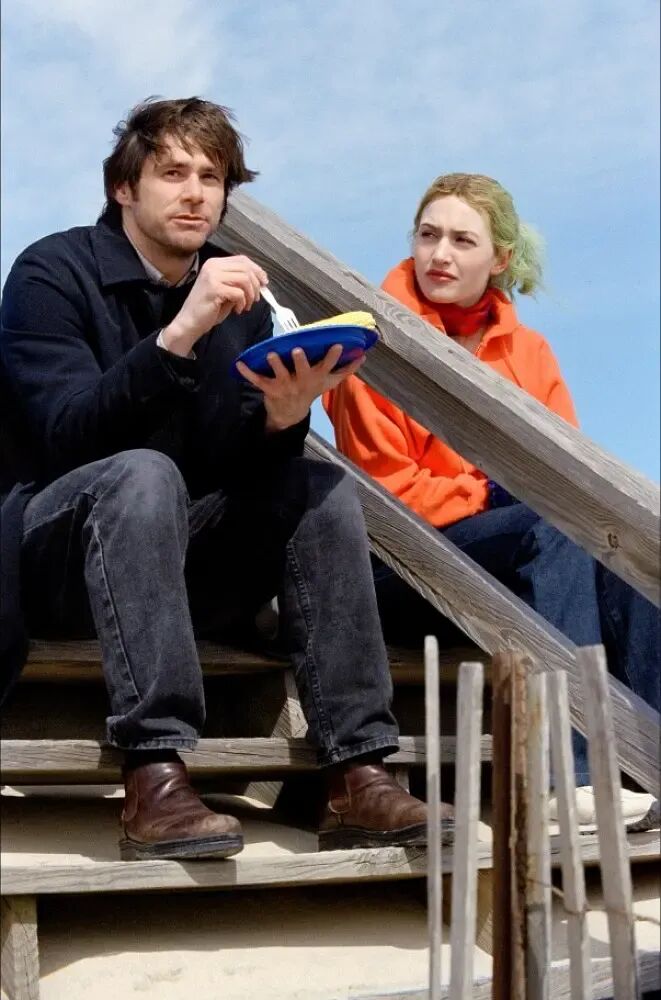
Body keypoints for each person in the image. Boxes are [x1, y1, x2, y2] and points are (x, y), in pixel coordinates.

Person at [0, 97, 454, 861]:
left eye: (211, 177)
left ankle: (357, 771)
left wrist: (282, 417)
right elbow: (65, 436)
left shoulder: (237, 300)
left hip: (177, 562)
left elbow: (230, 469)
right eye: (172, 173)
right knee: (143, 474)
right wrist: (179, 335)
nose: (195, 193)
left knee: (316, 487)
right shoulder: (51, 271)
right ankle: (155, 773)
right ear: (123, 188)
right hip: (57, 559)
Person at [324, 172, 660, 830]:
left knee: (624, 546)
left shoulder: (531, 353)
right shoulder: (369, 340)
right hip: (401, 567)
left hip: (514, 559)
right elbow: (388, 494)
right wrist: (488, 490)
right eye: (427, 235)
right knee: (553, 530)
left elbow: (569, 481)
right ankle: (570, 780)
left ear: (499, 259)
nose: (439, 254)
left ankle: (650, 766)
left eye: (461, 240)